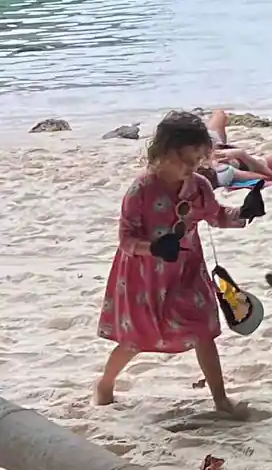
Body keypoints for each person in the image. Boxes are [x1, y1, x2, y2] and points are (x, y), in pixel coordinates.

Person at [98, 111, 262, 410]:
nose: (192, 168)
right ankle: (105, 383)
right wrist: (155, 248)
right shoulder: (141, 190)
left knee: (203, 330)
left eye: (198, 161)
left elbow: (216, 216)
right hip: (145, 275)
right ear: (162, 153)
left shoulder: (198, 185)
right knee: (136, 338)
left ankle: (221, 400)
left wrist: (244, 212)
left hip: (188, 271)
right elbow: (126, 239)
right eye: (186, 161)